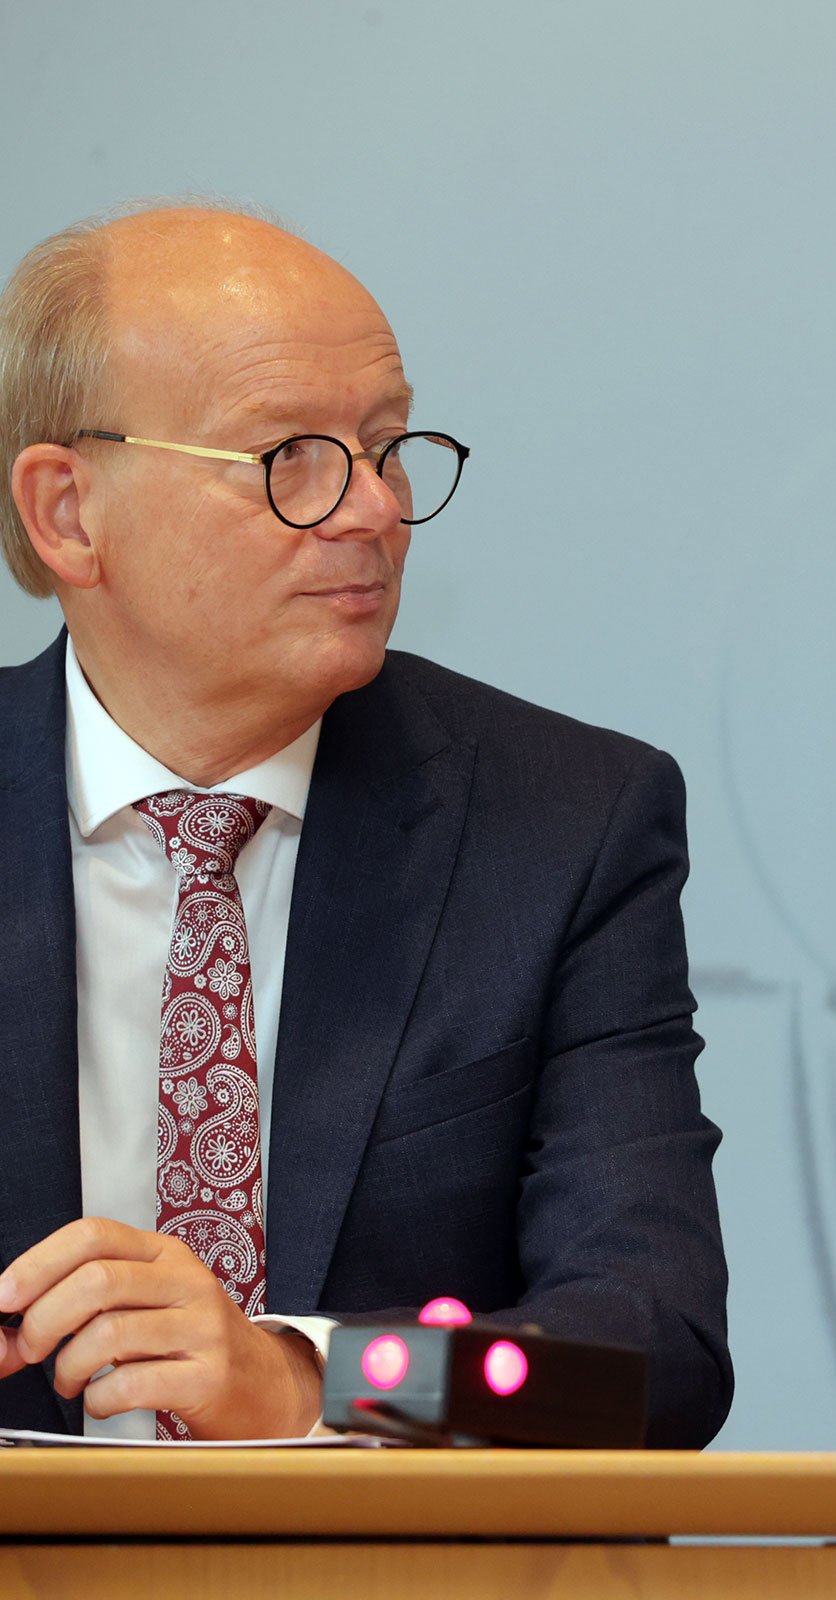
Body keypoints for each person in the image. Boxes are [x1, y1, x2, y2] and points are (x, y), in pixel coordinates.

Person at [0, 204, 731, 1445]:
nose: (375, 511)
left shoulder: (561, 827)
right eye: (291, 456)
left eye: (386, 446)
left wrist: (313, 1379)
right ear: (69, 512)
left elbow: (647, 1357)